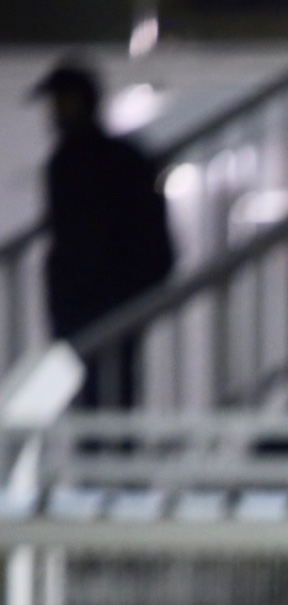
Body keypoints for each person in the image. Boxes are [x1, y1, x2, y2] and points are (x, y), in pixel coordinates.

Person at [33, 59, 175, 409]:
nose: (53, 113)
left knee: (104, 394)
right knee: (108, 394)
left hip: (101, 302)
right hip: (100, 303)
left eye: (61, 101)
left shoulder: (84, 160)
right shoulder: (112, 156)